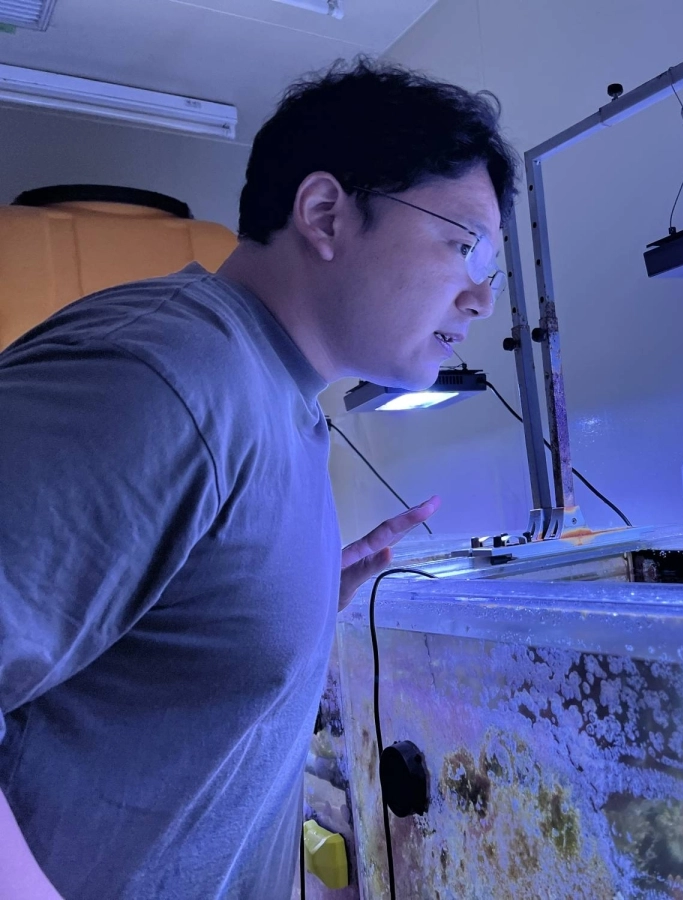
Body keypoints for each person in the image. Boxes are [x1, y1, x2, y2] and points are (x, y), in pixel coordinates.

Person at [0, 58, 518, 899]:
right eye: (464, 246)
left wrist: (288, 605)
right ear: (325, 213)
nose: (482, 298)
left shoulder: (280, 401)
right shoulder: (167, 375)